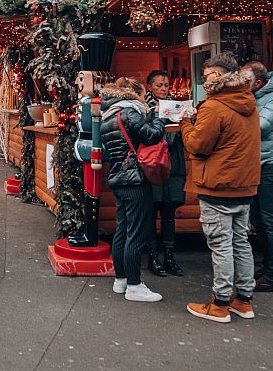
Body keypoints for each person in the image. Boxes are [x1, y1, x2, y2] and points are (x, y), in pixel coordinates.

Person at [180, 52, 260, 323]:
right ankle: (244, 300)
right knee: (240, 242)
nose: (204, 81)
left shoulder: (214, 106)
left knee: (221, 244)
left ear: (217, 76)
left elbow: (197, 145)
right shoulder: (248, 100)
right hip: (244, 185)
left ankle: (220, 303)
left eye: (207, 76)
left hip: (218, 184)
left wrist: (185, 125)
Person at [99, 79, 166, 302]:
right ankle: (135, 285)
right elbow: (152, 135)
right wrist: (159, 117)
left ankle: (121, 279)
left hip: (119, 177)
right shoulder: (129, 112)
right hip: (135, 178)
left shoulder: (109, 114)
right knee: (136, 233)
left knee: (123, 230)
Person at [242, 61, 273, 293]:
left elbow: (260, 127)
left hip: (270, 165)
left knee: (271, 221)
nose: (242, 84)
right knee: (259, 219)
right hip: (256, 164)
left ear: (258, 83)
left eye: (246, 81)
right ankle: (267, 267)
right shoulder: (257, 97)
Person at [144, 70, 186, 278]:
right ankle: (153, 256)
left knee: (169, 214)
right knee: (151, 212)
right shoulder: (145, 108)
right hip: (153, 165)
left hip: (174, 166)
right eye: (159, 85)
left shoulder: (178, 108)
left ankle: (169, 256)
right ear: (149, 86)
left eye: (166, 85)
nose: (163, 88)